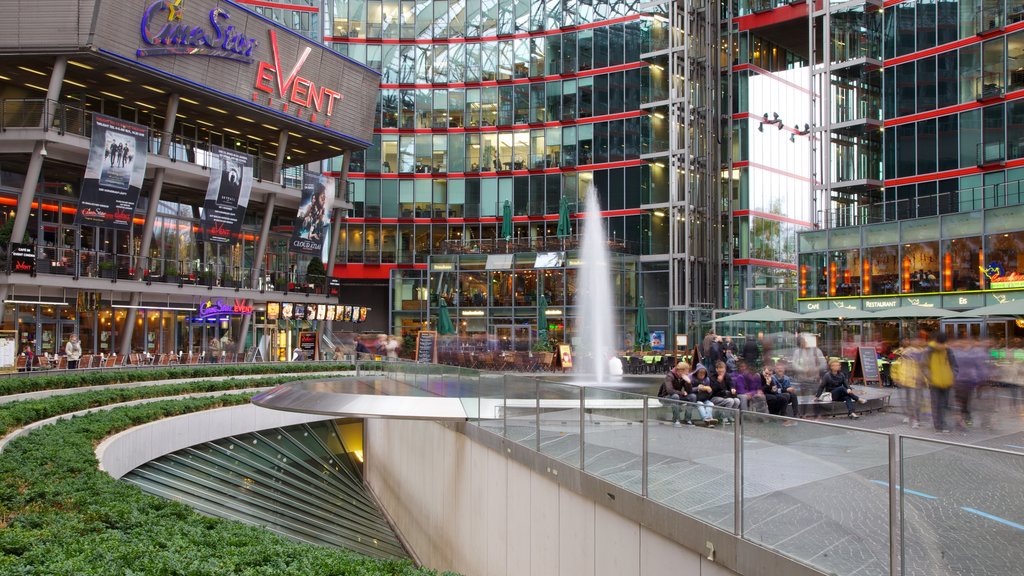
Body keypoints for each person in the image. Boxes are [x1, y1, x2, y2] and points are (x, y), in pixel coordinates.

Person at [922, 332, 958, 432]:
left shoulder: (948, 350)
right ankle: (938, 425)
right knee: (936, 404)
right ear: (937, 341)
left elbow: (954, 365)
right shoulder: (929, 351)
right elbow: (924, 366)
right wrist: (930, 378)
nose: (942, 345)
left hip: (947, 382)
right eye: (940, 343)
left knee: (944, 404)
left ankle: (942, 423)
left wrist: (952, 376)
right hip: (934, 383)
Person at [659, 362, 697, 426]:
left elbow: (689, 392)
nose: (687, 374)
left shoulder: (683, 377)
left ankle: (688, 419)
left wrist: (688, 382)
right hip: (665, 397)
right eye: (686, 372)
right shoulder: (670, 376)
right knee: (675, 396)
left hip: (677, 397)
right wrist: (681, 393)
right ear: (680, 371)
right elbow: (669, 390)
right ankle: (676, 419)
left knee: (692, 396)